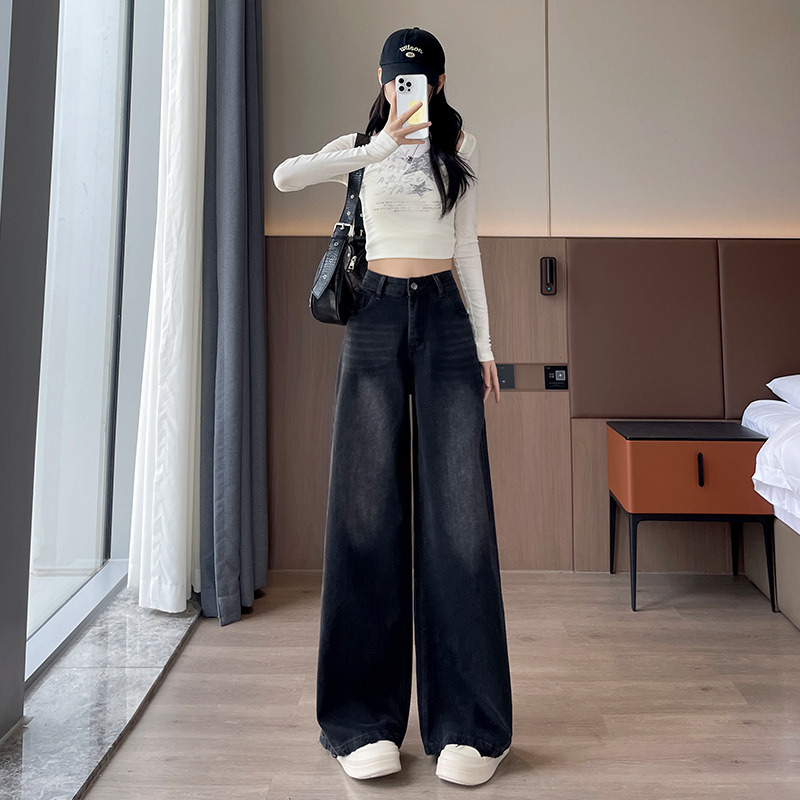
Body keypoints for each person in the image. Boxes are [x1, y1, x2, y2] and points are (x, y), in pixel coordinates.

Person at [272, 27, 513, 787]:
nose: (404, 89)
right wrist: (373, 150)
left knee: (460, 518)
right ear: (382, 82)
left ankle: (470, 726)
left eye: (418, 79)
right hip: (374, 316)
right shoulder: (359, 147)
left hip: (444, 316)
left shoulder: (462, 145)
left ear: (438, 84)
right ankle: (361, 721)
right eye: (394, 79)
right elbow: (285, 177)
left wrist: (485, 345)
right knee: (364, 513)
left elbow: (467, 248)